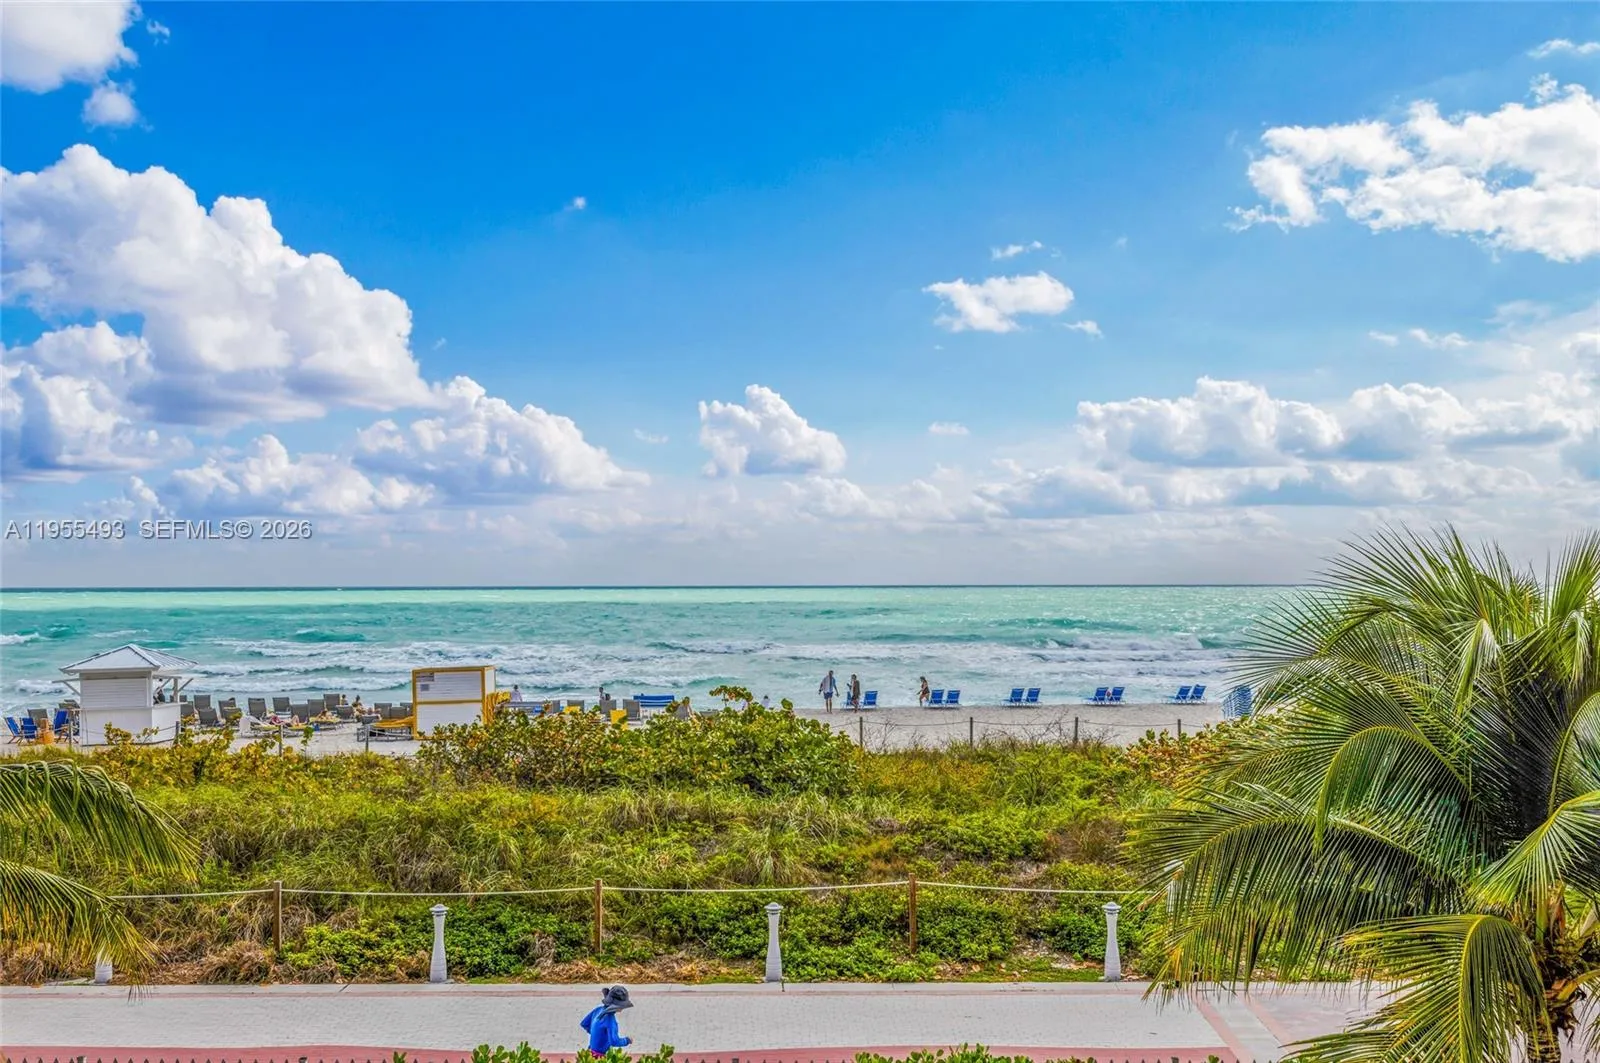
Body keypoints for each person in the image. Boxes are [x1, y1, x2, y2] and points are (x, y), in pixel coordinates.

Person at [580, 985, 633, 1054]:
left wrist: (596, 1034)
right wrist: (627, 1040)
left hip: (590, 1051)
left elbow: (585, 1024)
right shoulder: (610, 1020)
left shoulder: (598, 1009)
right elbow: (614, 1041)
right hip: (600, 1055)